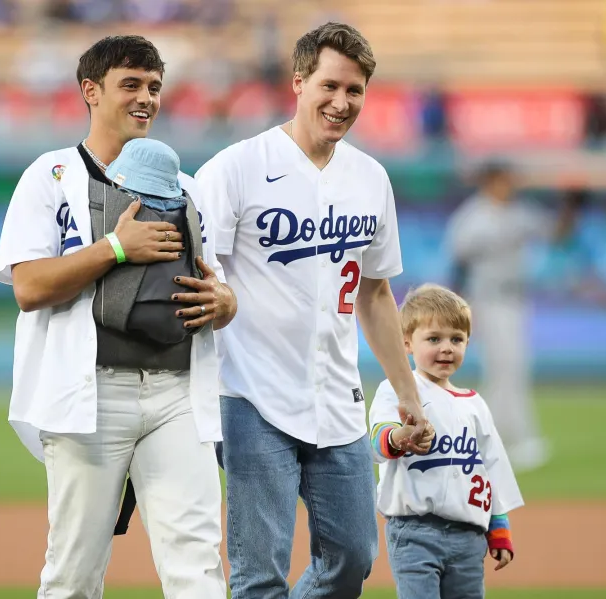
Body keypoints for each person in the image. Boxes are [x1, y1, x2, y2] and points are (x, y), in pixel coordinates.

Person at [194, 21, 433, 599]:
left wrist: (407, 391)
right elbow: (197, 275)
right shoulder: (236, 168)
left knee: (353, 556)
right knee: (259, 575)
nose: (341, 102)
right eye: (329, 86)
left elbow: (375, 292)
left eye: (354, 91)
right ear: (298, 82)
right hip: (249, 395)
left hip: (337, 396)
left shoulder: (371, 178)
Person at [0, 35, 235, 599]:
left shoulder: (186, 187)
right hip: (90, 395)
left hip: (178, 392)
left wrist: (226, 303)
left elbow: (215, 287)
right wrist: (115, 248)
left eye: (154, 86)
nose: (146, 98)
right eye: (130, 85)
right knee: (74, 573)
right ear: (91, 91)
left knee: (197, 566)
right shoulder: (49, 175)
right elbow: (28, 288)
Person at [369, 283, 524, 599]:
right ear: (407, 344)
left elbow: (489, 470)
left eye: (457, 339)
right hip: (414, 532)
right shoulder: (399, 390)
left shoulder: (475, 404)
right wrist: (400, 436)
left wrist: (499, 527)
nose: (447, 348)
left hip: (469, 538)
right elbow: (377, 441)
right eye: (434, 339)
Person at [446, 160, 579, 471]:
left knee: (508, 371)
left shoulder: (520, 213)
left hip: (516, 300)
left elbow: (557, 234)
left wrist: (572, 206)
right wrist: (460, 311)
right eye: (505, 179)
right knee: (506, 369)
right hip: (486, 300)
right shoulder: (472, 217)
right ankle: (518, 439)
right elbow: (458, 265)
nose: (511, 185)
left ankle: (481, 439)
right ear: (490, 181)